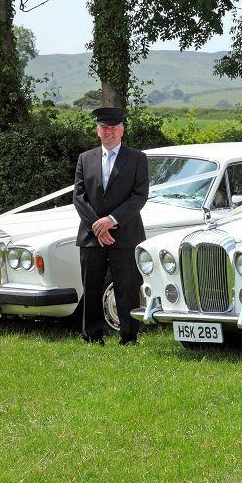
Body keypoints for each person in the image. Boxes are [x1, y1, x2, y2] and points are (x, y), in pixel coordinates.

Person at [73, 107, 149, 345]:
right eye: (104, 128)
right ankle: (92, 337)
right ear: (97, 131)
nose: (109, 132)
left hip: (125, 234)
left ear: (122, 130)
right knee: (92, 286)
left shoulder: (137, 158)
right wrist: (98, 226)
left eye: (114, 128)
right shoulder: (85, 159)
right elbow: (79, 196)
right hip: (91, 236)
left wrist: (111, 220)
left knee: (127, 287)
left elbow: (140, 196)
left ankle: (129, 337)